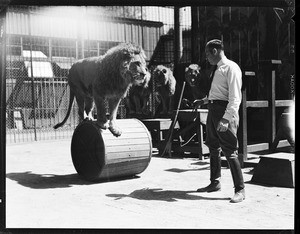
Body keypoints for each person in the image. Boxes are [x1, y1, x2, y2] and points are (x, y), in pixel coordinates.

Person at [193, 39, 245, 203]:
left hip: (224, 113)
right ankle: (215, 182)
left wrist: (226, 119)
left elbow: (235, 98)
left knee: (229, 150)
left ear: (215, 51)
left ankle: (240, 190)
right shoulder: (217, 69)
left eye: (208, 54)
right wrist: (204, 101)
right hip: (213, 110)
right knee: (213, 147)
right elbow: (218, 93)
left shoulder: (231, 68)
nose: (206, 57)